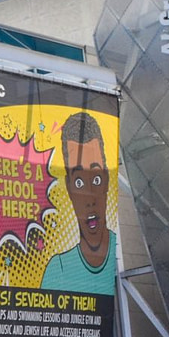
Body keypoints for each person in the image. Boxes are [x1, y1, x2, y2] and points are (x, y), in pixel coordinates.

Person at [39, 111, 114, 293]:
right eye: (79, 182)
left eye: (96, 179)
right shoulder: (59, 270)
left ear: (106, 179)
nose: (90, 199)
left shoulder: (119, 257)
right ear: (69, 187)